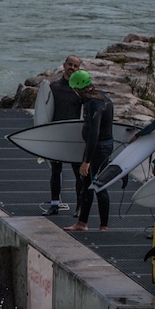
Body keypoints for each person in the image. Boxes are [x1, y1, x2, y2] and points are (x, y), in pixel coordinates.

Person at [65, 70, 114, 232]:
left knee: (99, 186)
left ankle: (104, 227)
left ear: (78, 88)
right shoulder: (101, 96)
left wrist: (86, 161)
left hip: (99, 149)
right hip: (99, 147)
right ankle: (82, 223)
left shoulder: (94, 103)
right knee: (86, 185)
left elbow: (94, 133)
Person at [43, 55, 83, 216]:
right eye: (70, 64)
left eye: (75, 66)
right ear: (64, 65)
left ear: (78, 69)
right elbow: (45, 110)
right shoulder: (54, 87)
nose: (72, 67)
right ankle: (54, 205)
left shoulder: (80, 89)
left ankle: (80, 207)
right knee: (55, 171)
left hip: (73, 135)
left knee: (78, 173)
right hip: (57, 134)